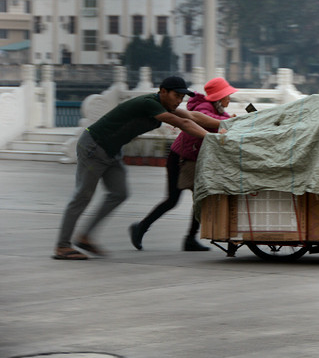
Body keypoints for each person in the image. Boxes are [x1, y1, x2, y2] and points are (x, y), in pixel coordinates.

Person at [53, 76, 222, 260]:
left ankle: (84, 237)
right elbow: (184, 123)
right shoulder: (149, 103)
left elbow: (193, 116)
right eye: (176, 95)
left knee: (119, 193)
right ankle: (62, 246)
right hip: (93, 146)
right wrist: (214, 139)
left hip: (111, 151)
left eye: (182, 97)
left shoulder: (165, 105)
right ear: (163, 91)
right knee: (82, 195)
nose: (179, 100)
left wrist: (226, 126)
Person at [129, 77, 237, 252]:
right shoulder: (204, 108)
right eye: (228, 95)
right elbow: (205, 118)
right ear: (219, 97)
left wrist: (232, 120)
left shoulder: (218, 111)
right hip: (181, 160)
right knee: (174, 200)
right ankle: (142, 228)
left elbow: (223, 120)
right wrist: (228, 122)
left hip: (192, 160)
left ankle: (189, 239)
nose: (229, 99)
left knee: (201, 199)